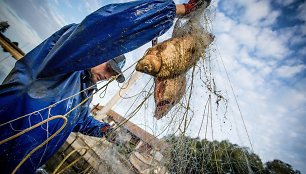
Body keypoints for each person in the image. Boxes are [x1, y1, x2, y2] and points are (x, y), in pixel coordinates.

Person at [0, 0, 211, 173]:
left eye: (114, 74)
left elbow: (79, 119)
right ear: (99, 52)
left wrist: (106, 130)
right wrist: (175, 10)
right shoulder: (60, 63)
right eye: (109, 67)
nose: (109, 76)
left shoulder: (82, 94)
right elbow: (110, 25)